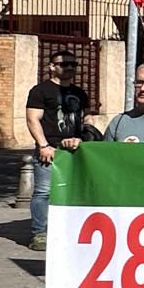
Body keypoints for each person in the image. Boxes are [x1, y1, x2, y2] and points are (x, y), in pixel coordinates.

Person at [23, 50, 91, 251]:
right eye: (64, 64)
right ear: (52, 66)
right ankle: (40, 234)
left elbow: (86, 118)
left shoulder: (79, 93)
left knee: (74, 191)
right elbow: (32, 118)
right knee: (44, 192)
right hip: (50, 148)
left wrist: (85, 137)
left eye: (73, 64)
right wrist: (43, 145)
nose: (69, 68)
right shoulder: (40, 91)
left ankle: (69, 231)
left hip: (76, 149)